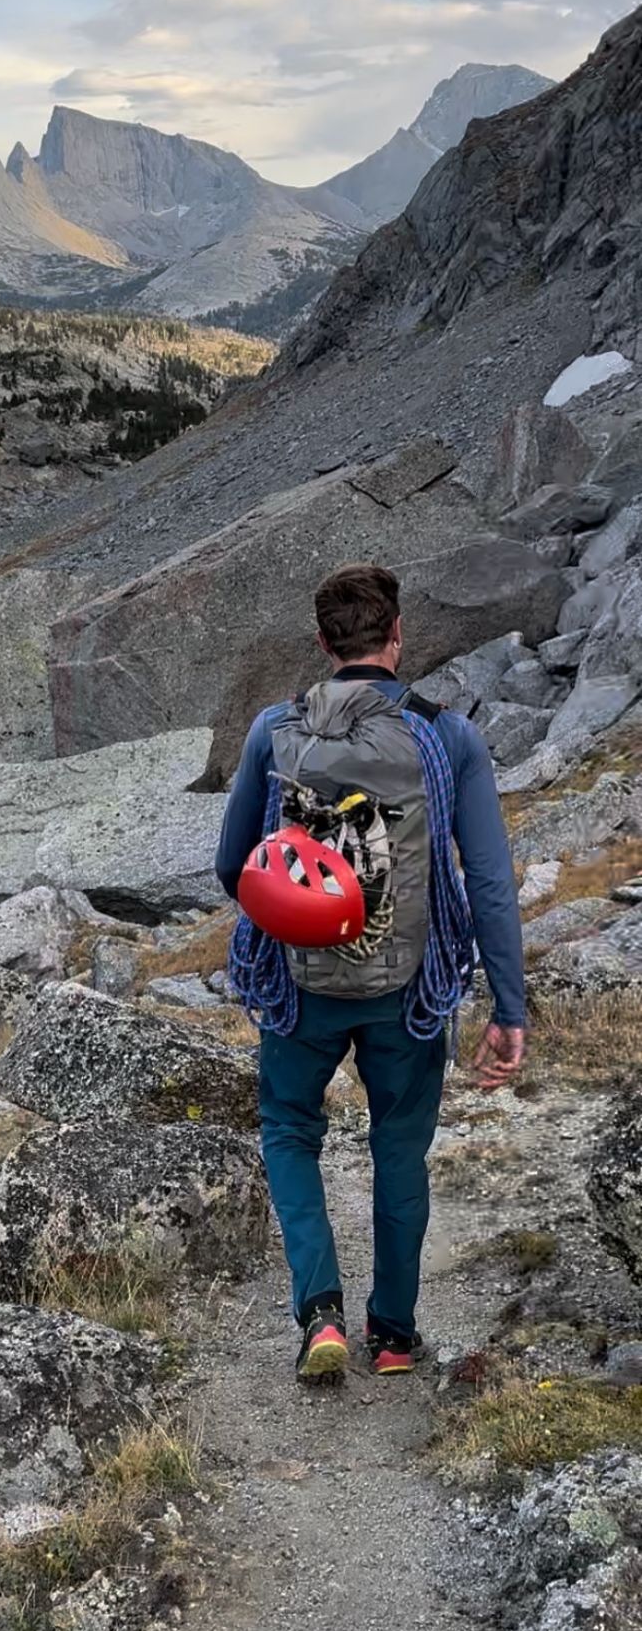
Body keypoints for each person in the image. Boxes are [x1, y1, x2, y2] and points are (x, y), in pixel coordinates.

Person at [216, 563, 526, 1384]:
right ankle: (391, 1336)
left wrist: (292, 925)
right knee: (398, 1148)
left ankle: (318, 1315)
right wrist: (508, 1002)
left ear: (322, 644)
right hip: (409, 990)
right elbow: (485, 881)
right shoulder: (444, 737)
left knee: (287, 1131)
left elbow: (232, 864)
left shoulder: (275, 731)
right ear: (397, 638)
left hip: (297, 985)